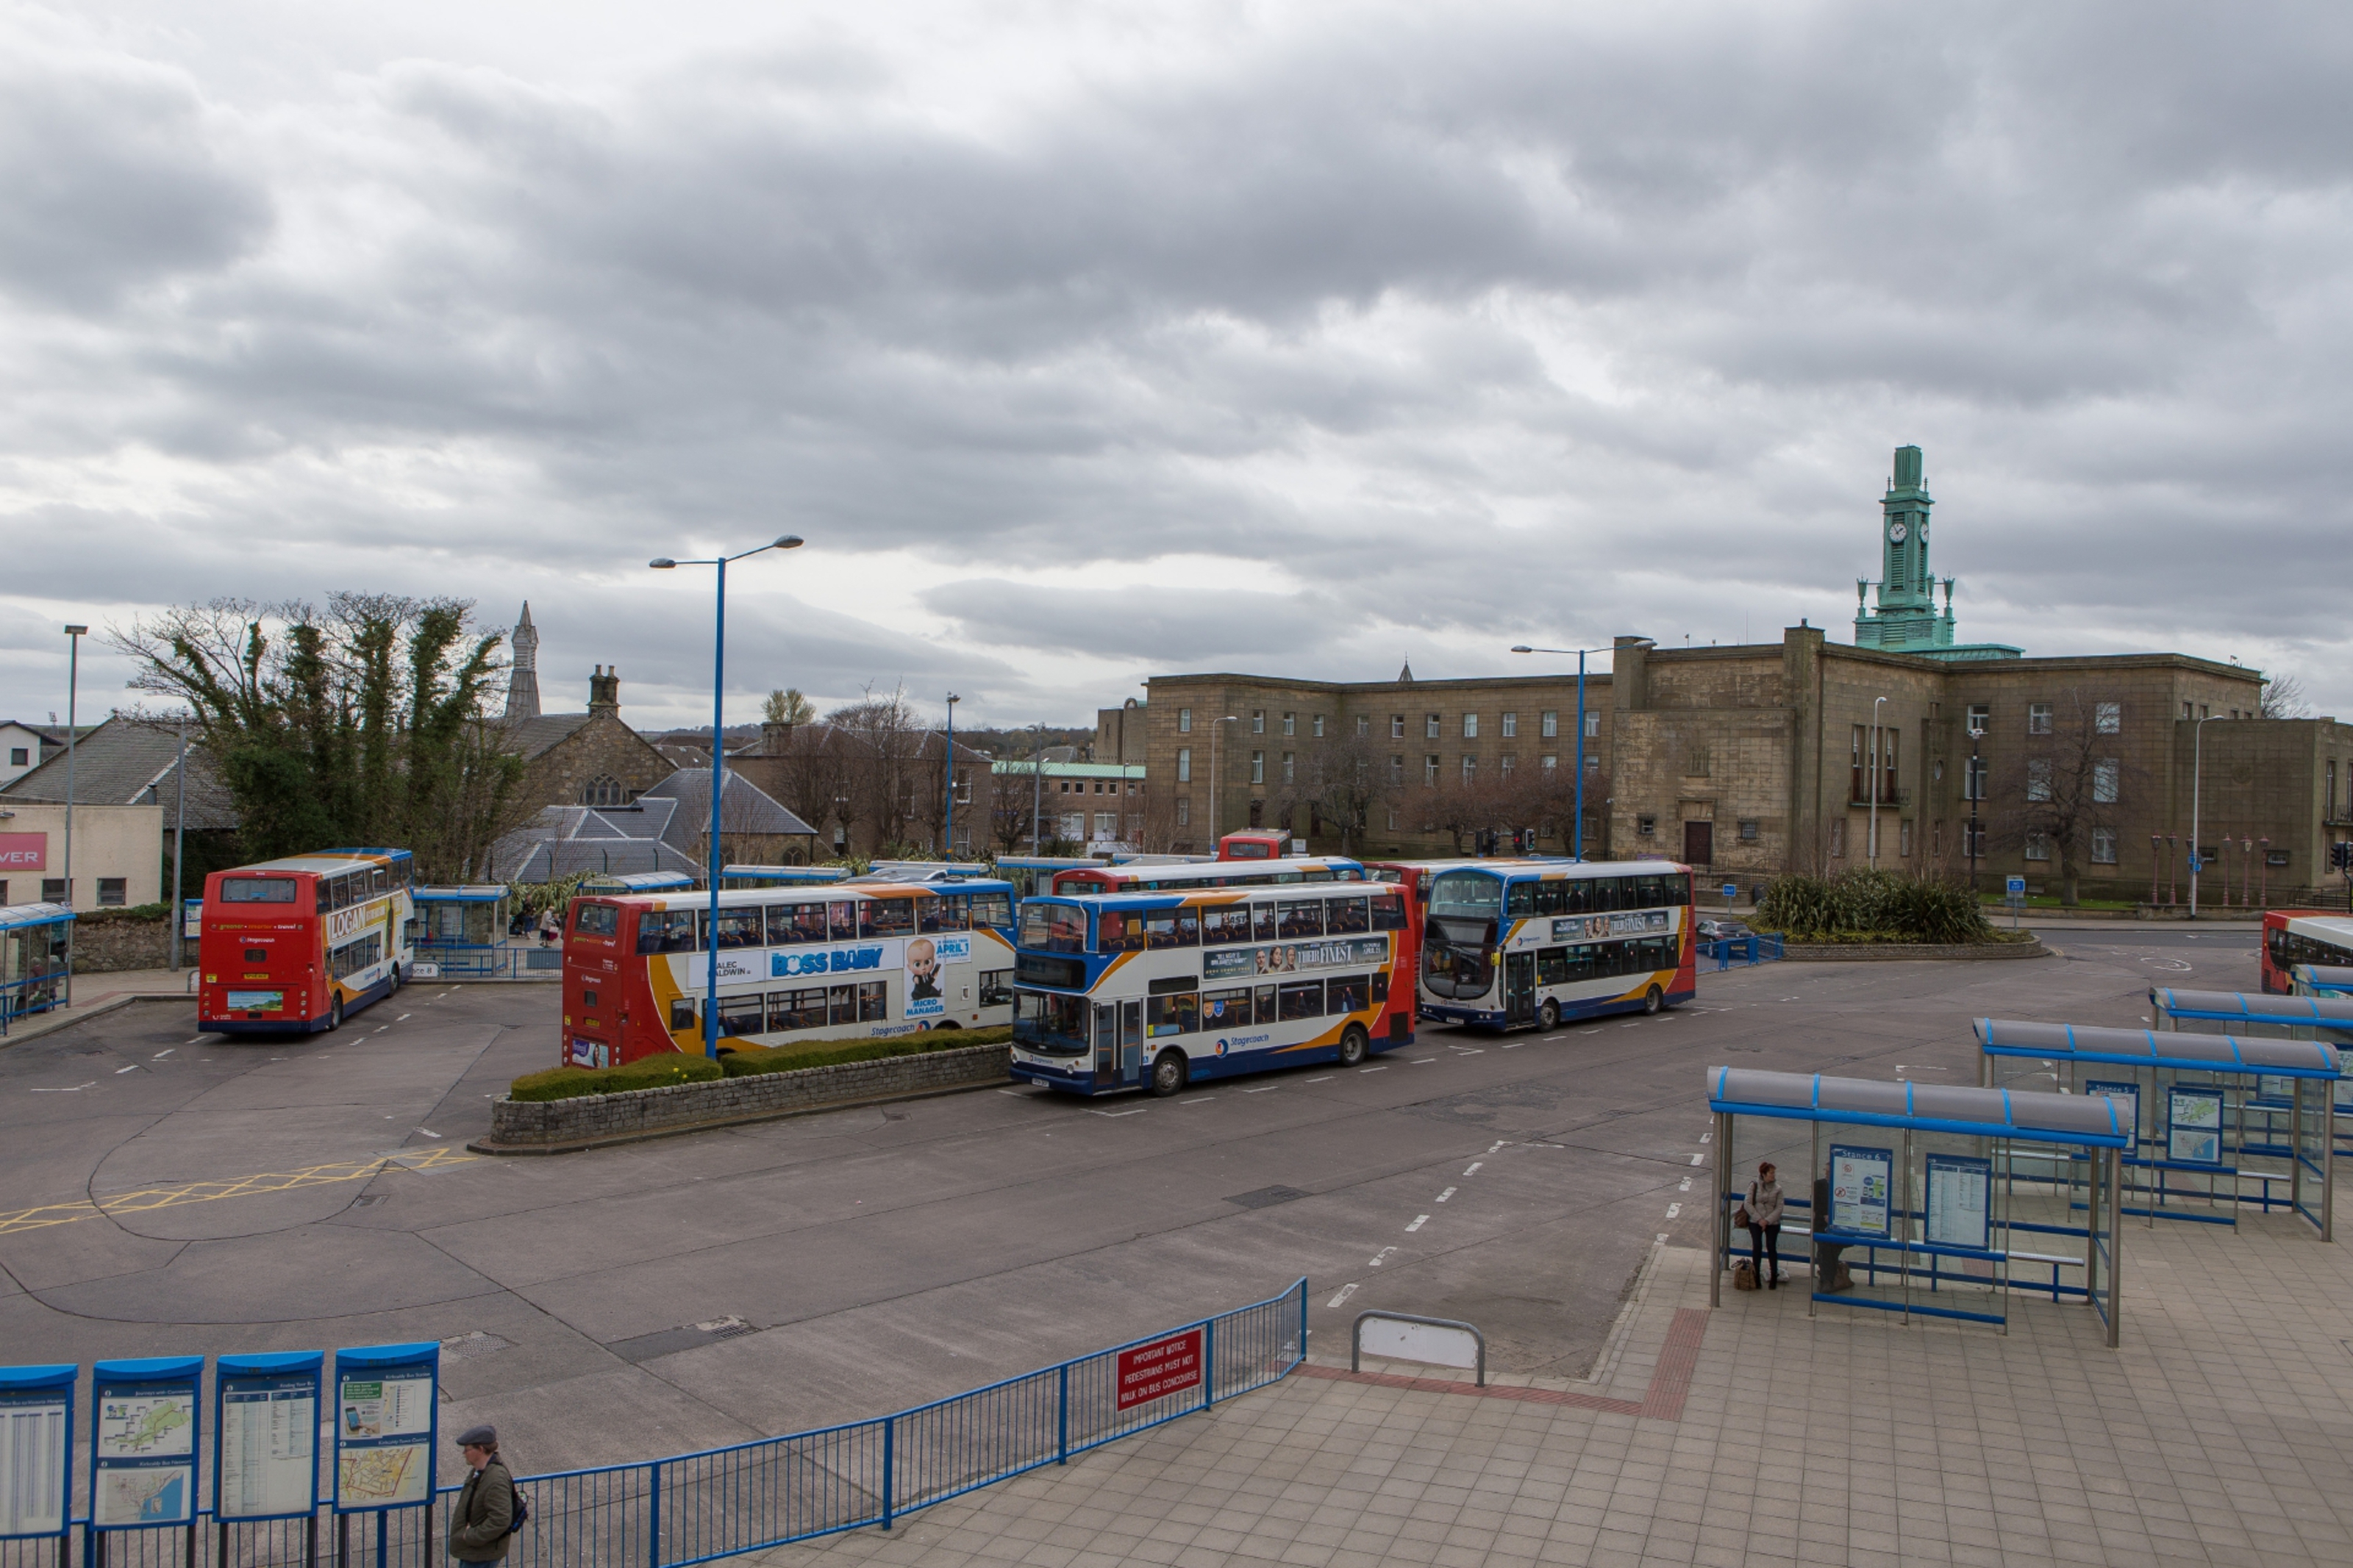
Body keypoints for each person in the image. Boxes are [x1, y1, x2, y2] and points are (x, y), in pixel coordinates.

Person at [449, 1425, 515, 1562]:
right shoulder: (479, 1471)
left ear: (480, 1450)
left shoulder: (495, 1479)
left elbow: (500, 1519)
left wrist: (470, 1536)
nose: (464, 1453)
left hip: (482, 1554)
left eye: (467, 1450)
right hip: (474, 1552)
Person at [1746, 1160, 1785, 1290]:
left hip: (1772, 1222)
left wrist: (1767, 1221)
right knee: (1757, 1246)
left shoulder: (1778, 1189)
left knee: (1771, 1247)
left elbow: (1779, 1208)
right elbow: (1748, 1204)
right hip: (1756, 1221)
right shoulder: (1754, 1186)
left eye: (1774, 1173)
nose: (1773, 1175)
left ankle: (1774, 1276)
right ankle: (1756, 1276)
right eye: (1771, 1173)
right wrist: (1759, 1220)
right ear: (1763, 1174)